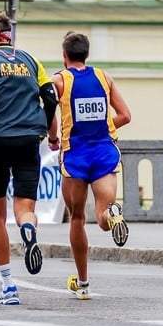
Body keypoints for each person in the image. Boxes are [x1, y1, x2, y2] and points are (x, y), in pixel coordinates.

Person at [0, 12, 57, 306]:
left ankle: (8, 285)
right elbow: (50, 96)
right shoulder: (31, 60)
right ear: (8, 36)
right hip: (30, 137)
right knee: (26, 207)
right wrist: (44, 126)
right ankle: (28, 230)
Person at [47, 32, 132, 300]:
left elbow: (48, 118)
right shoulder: (104, 78)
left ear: (64, 55)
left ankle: (82, 283)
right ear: (87, 54)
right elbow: (125, 116)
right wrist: (104, 128)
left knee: (77, 218)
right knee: (103, 216)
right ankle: (114, 214)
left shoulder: (59, 81)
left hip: (75, 156)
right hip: (104, 152)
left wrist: (53, 139)